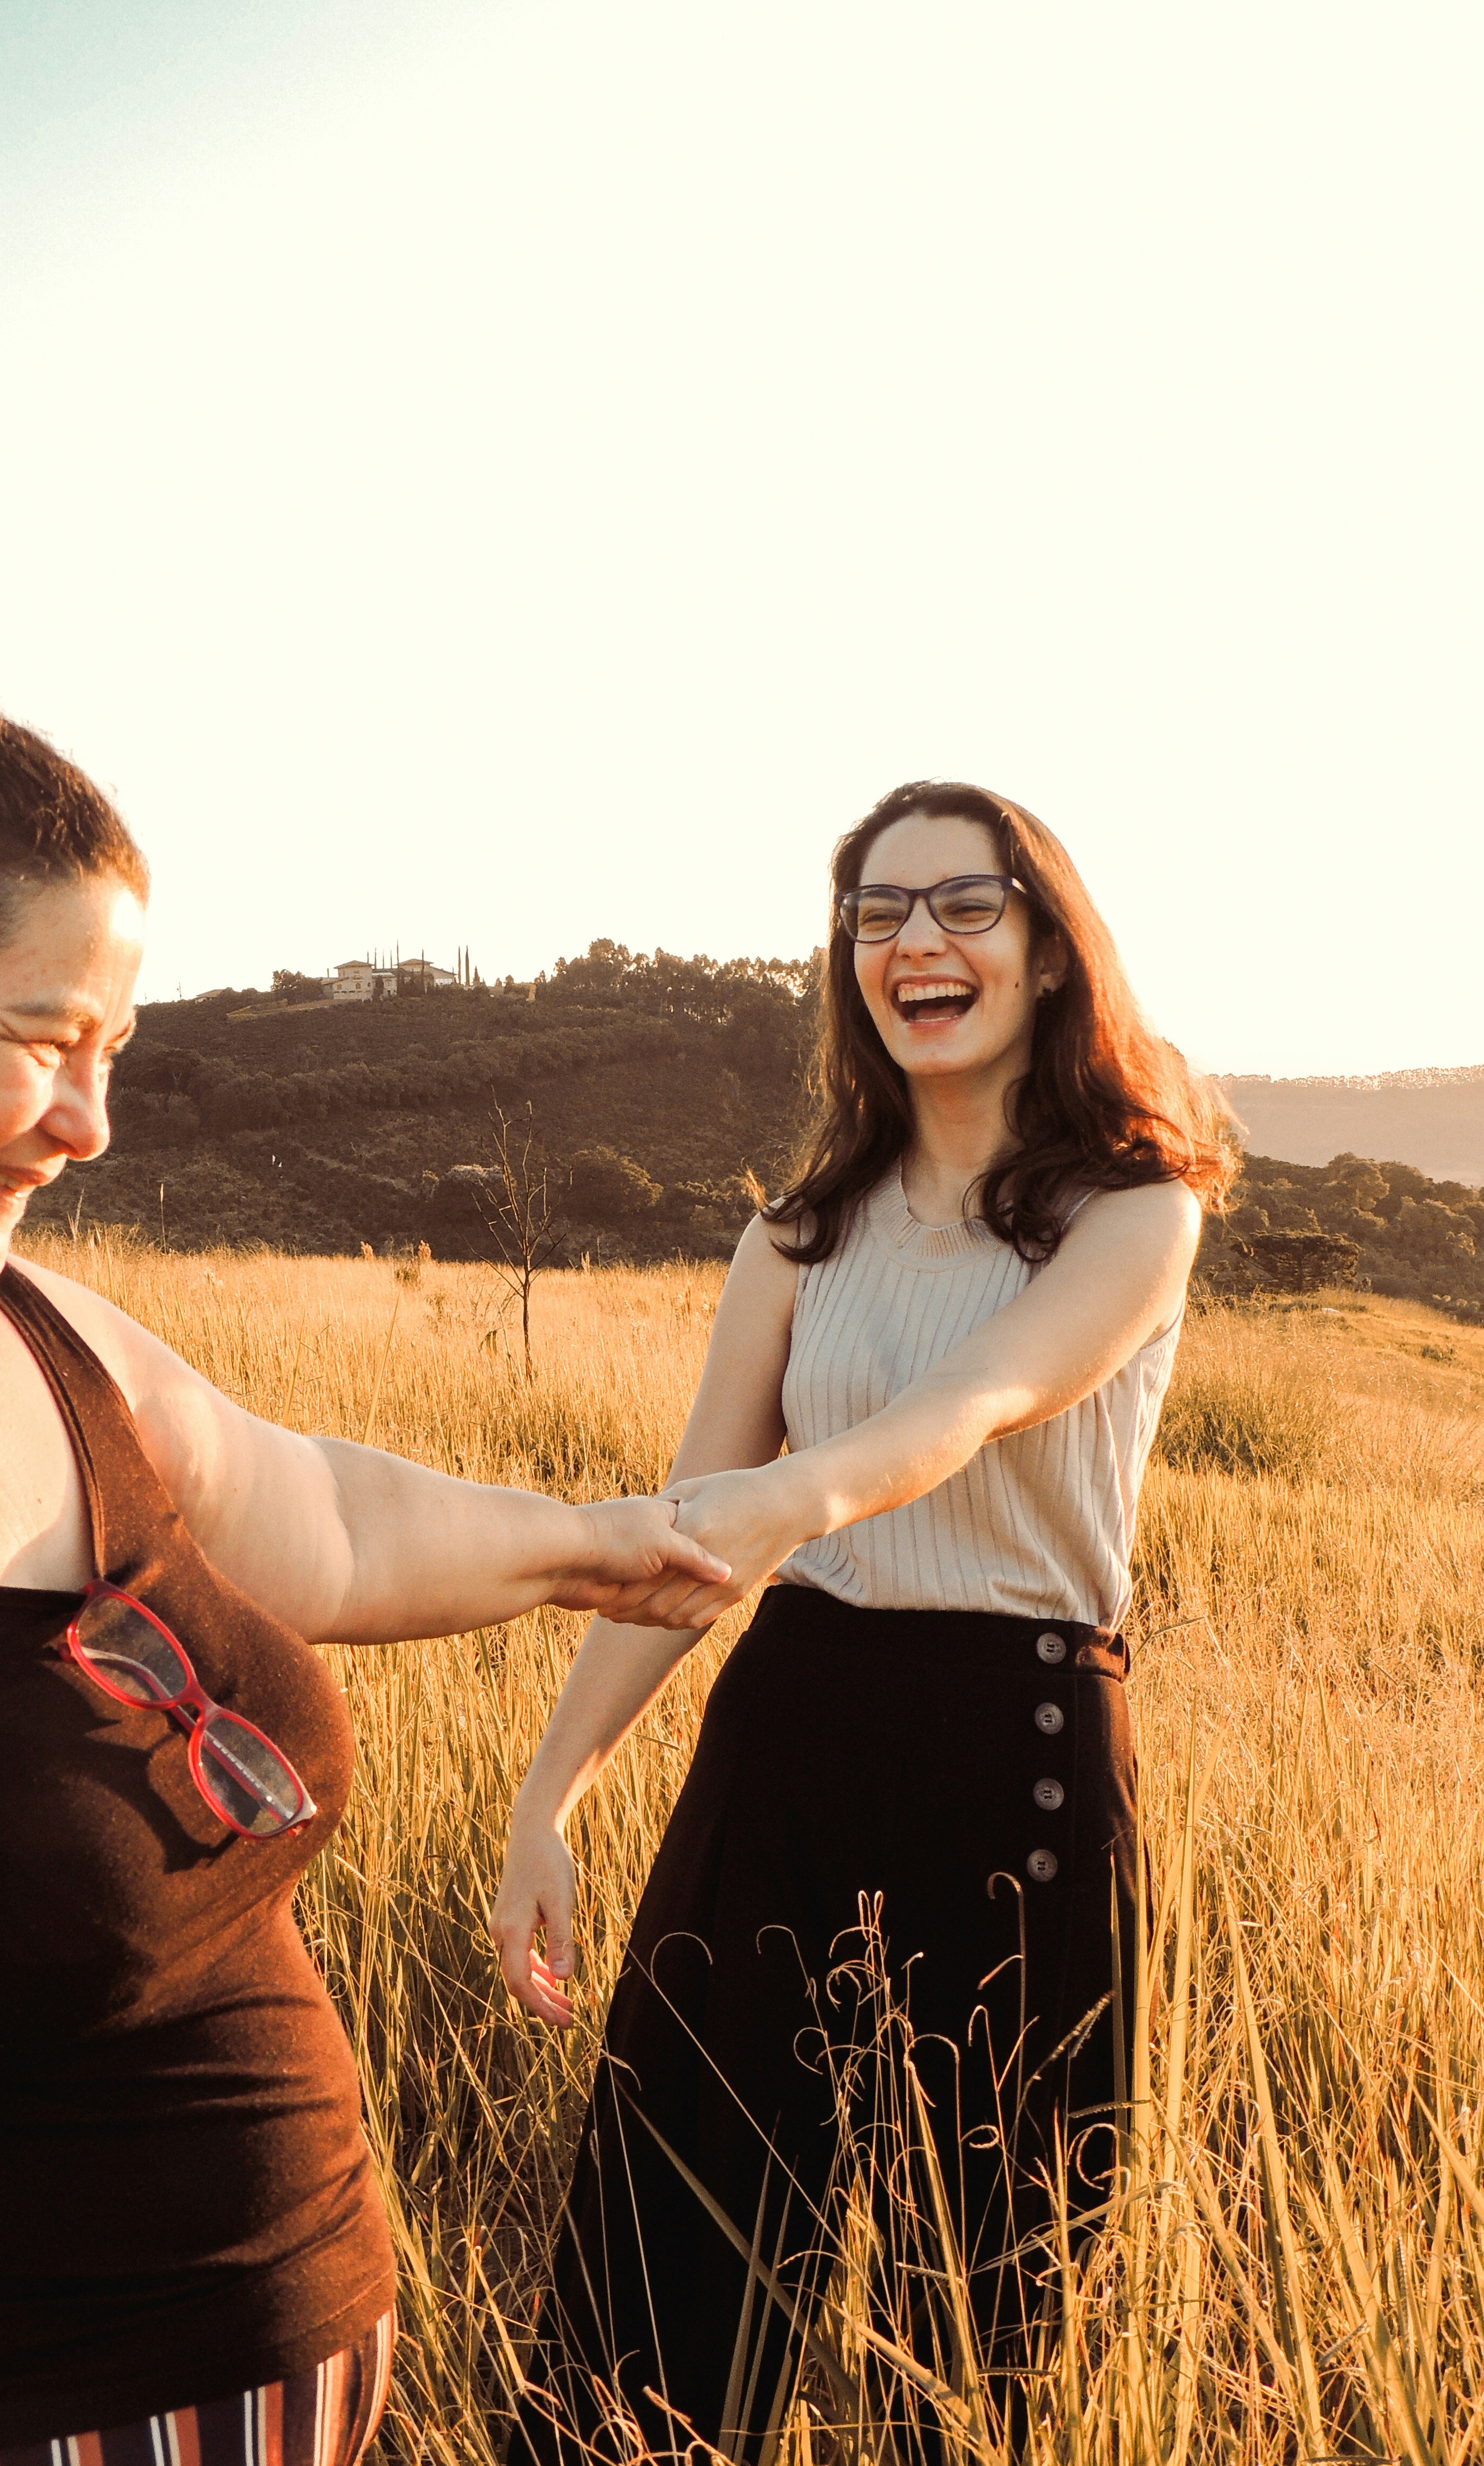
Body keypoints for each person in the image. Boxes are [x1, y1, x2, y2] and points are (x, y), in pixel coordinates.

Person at [0, 566, 731, 2466]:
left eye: (116, 1055)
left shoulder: (31, 1334)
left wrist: (587, 1544)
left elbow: (319, 1517)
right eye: (45, 1038)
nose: (92, 1124)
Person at [491, 781, 1234, 2460]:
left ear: (1050, 951)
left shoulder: (1131, 1210)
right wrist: (556, 1787)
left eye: (967, 907)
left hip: (1018, 1763)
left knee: (982, 2324)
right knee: (658, 2277)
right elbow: (682, 1543)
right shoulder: (798, 1233)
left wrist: (784, 1500)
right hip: (787, 1738)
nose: (919, 944)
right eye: (880, 914)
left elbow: (978, 1401)